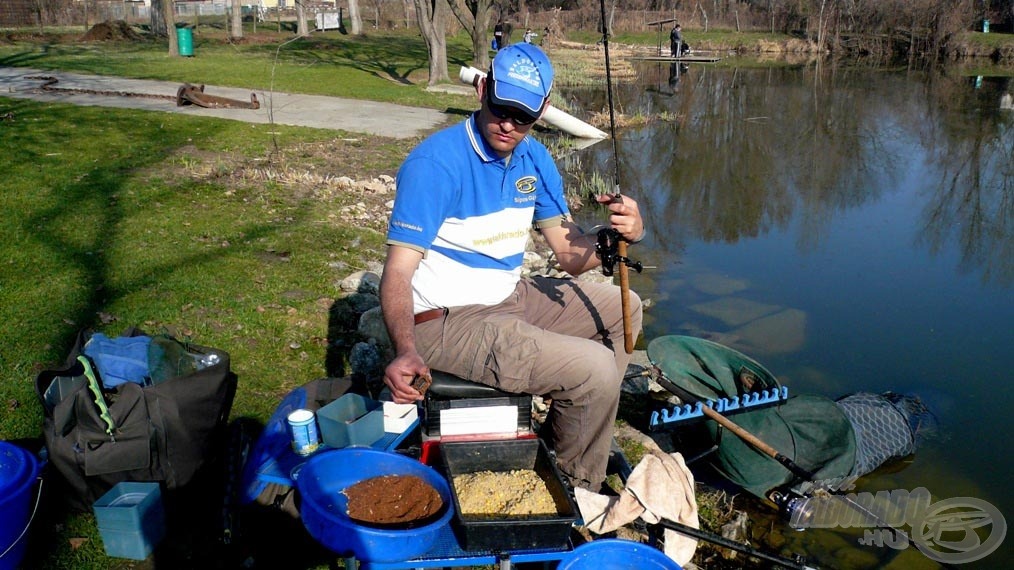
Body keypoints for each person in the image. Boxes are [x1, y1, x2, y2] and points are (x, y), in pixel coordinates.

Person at [380, 43, 646, 492]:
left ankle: (580, 432)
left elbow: (569, 255)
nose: (508, 124)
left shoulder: (535, 159)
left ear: (541, 111)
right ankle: (576, 485)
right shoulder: (435, 164)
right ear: (483, 89)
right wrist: (405, 348)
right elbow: (397, 273)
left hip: (510, 295)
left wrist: (616, 236)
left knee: (628, 309)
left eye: (522, 116)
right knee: (596, 369)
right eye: (501, 107)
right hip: (448, 320)